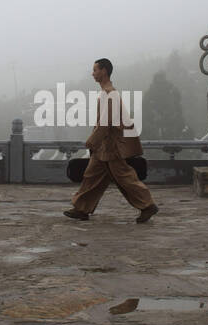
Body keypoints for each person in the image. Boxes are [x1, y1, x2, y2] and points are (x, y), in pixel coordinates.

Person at [64, 58, 159, 223]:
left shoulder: (110, 94)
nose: (93, 73)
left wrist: (91, 141)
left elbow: (106, 124)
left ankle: (147, 205)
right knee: (91, 176)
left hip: (111, 147)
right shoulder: (106, 93)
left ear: (104, 71)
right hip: (103, 146)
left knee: (125, 177)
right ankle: (81, 208)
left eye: (95, 70)